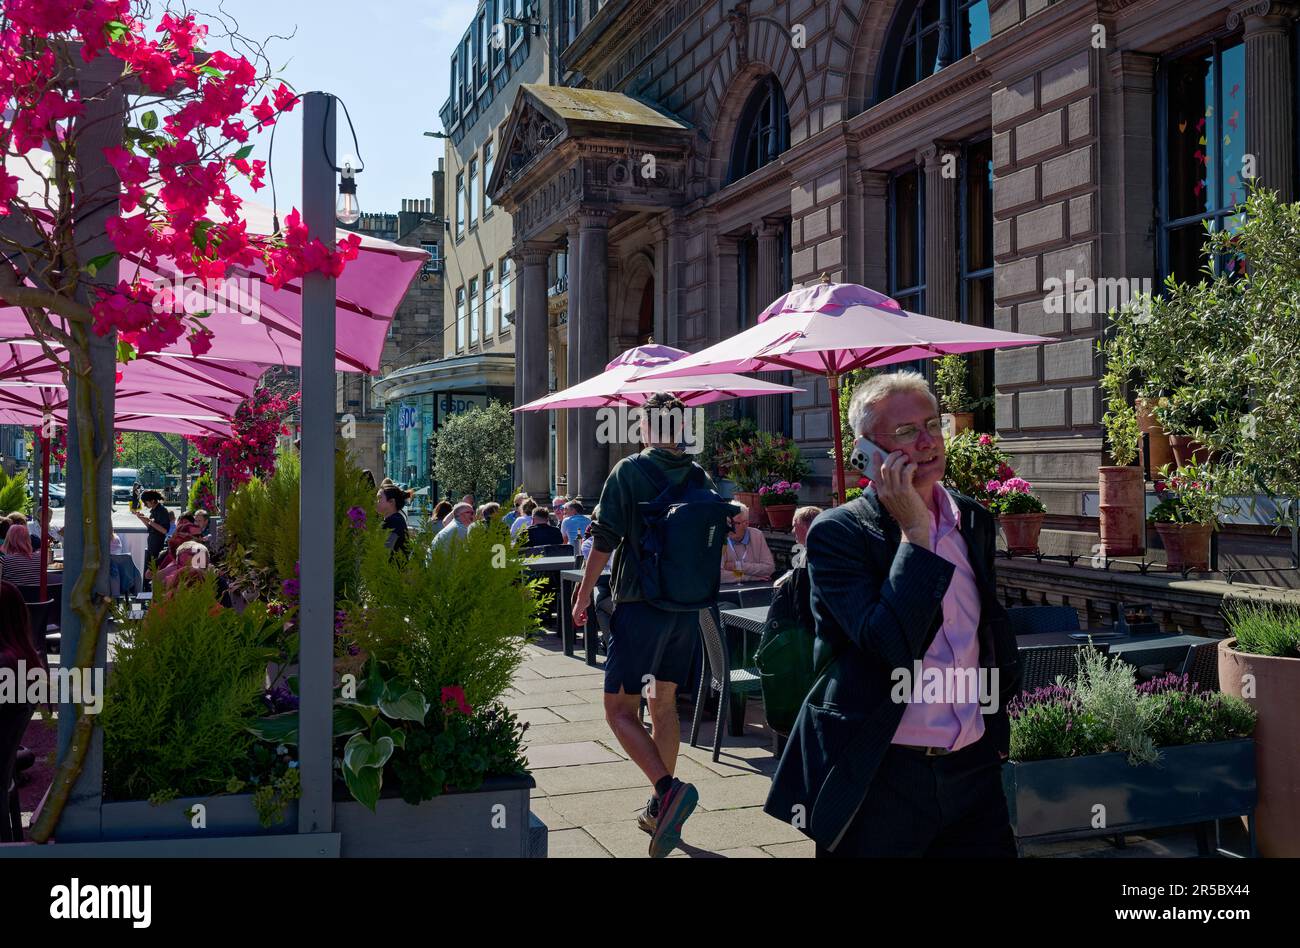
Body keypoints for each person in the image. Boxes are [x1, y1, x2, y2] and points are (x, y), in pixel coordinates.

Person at [764, 371, 1020, 858]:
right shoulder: (839, 535)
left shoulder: (974, 521)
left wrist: (997, 728)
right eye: (905, 433)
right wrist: (915, 534)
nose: (927, 441)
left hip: (973, 772)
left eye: (932, 424)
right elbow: (888, 647)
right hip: (881, 774)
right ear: (867, 452)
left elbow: (985, 633)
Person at [570, 392, 718, 858]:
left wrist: (581, 596)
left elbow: (604, 542)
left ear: (645, 426)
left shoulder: (628, 471)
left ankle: (668, 791)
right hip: (686, 610)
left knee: (618, 710)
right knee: (665, 703)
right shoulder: (700, 475)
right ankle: (661, 808)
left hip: (640, 606)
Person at [719, 502, 775, 584]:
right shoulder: (720, 538)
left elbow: (769, 569)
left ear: (746, 524)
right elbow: (718, 575)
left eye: (734, 523)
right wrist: (749, 577)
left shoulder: (757, 535)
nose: (729, 528)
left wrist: (736, 566)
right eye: (728, 522)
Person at [134, 490, 172, 586]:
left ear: (152, 500)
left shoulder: (162, 511)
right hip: (152, 545)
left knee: (150, 572)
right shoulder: (154, 511)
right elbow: (151, 527)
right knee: (148, 572)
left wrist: (150, 521)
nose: (145, 505)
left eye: (145, 502)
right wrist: (142, 518)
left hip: (158, 546)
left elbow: (164, 530)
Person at [376, 486, 411, 555]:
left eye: (379, 498)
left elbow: (385, 550)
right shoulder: (394, 520)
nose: (376, 501)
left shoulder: (395, 522)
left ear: (391, 502)